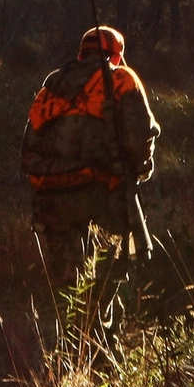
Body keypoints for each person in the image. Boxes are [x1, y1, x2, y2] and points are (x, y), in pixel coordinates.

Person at [22, 25, 160, 277]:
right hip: (103, 194)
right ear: (117, 55)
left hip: (52, 198)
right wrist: (140, 170)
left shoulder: (50, 86)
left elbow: (30, 145)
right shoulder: (122, 79)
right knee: (108, 277)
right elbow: (140, 136)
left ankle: (72, 317)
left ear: (81, 54)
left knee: (67, 283)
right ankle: (100, 316)